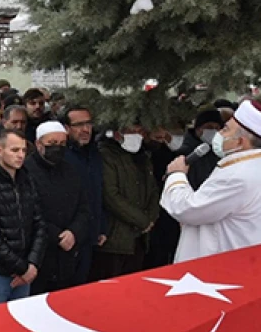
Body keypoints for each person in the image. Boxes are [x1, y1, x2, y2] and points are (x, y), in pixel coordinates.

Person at [162, 100, 261, 262]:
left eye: (225, 130)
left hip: (222, 263)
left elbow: (189, 209)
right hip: (239, 259)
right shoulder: (257, 167)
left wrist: (176, 175)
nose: (219, 134)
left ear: (241, 142)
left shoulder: (238, 176)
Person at [0, 130, 47, 307]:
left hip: (26, 270)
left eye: (23, 150)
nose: (20, 155)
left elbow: (39, 223)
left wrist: (32, 263)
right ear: (0, 150)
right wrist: (22, 268)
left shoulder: (26, 180)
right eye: (14, 150)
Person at [23, 122, 88, 294]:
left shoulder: (71, 170)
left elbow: (83, 206)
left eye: (62, 144)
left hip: (68, 252)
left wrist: (74, 232)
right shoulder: (26, 170)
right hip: (40, 254)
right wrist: (57, 236)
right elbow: (30, 211)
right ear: (38, 144)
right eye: (52, 144)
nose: (57, 149)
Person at [92, 123, 159, 279]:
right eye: (130, 131)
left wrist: (151, 218)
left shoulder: (143, 156)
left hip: (139, 239)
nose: (136, 134)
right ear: (117, 133)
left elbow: (153, 190)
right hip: (114, 240)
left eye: (139, 130)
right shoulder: (105, 155)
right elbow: (111, 196)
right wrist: (143, 221)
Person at [61, 104, 106, 284]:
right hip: (70, 237)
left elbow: (98, 191)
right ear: (67, 129)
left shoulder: (94, 153)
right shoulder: (63, 157)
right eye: (79, 125)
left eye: (88, 124)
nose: (85, 129)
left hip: (92, 235)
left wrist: (101, 226)